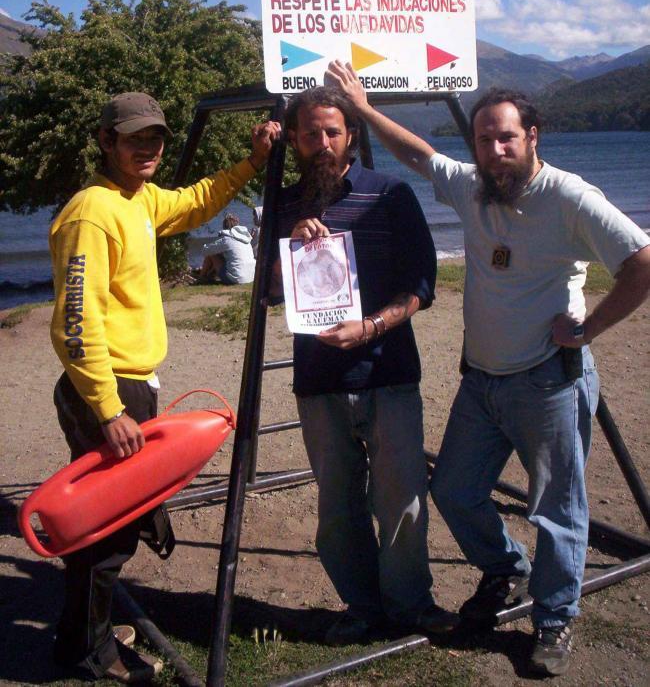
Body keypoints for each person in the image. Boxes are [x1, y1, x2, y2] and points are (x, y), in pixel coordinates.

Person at [326, 60, 650, 676]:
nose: (496, 150)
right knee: (451, 490)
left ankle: (554, 619)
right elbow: (422, 157)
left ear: (534, 137)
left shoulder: (570, 196)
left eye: (507, 137)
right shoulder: (475, 186)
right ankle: (506, 567)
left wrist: (589, 328)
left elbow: (641, 259)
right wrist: (364, 111)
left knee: (556, 507)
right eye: (484, 139)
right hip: (481, 380)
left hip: (548, 380)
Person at [49, 92, 280, 683]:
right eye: (134, 139)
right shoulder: (91, 212)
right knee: (107, 534)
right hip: (110, 392)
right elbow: (74, 325)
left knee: (113, 523)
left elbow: (194, 202)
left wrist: (251, 164)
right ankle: (89, 653)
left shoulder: (138, 198)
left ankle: (86, 632)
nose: (148, 148)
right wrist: (106, 409)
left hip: (130, 386)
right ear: (106, 142)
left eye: (154, 137)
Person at [270, 84, 458, 646]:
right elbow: (268, 294)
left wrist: (373, 326)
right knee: (337, 505)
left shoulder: (392, 193)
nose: (322, 142)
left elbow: (423, 282)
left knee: (400, 499)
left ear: (351, 135)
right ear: (297, 140)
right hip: (319, 380)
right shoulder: (282, 204)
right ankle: (361, 605)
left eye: (332, 131)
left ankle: (410, 604)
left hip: (389, 371)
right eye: (311, 133)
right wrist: (290, 251)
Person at [200, 213, 256, 284]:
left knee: (212, 254)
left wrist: (217, 251)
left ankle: (201, 277)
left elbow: (205, 250)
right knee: (227, 256)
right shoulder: (246, 239)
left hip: (236, 279)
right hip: (250, 277)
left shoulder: (227, 239)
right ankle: (209, 276)